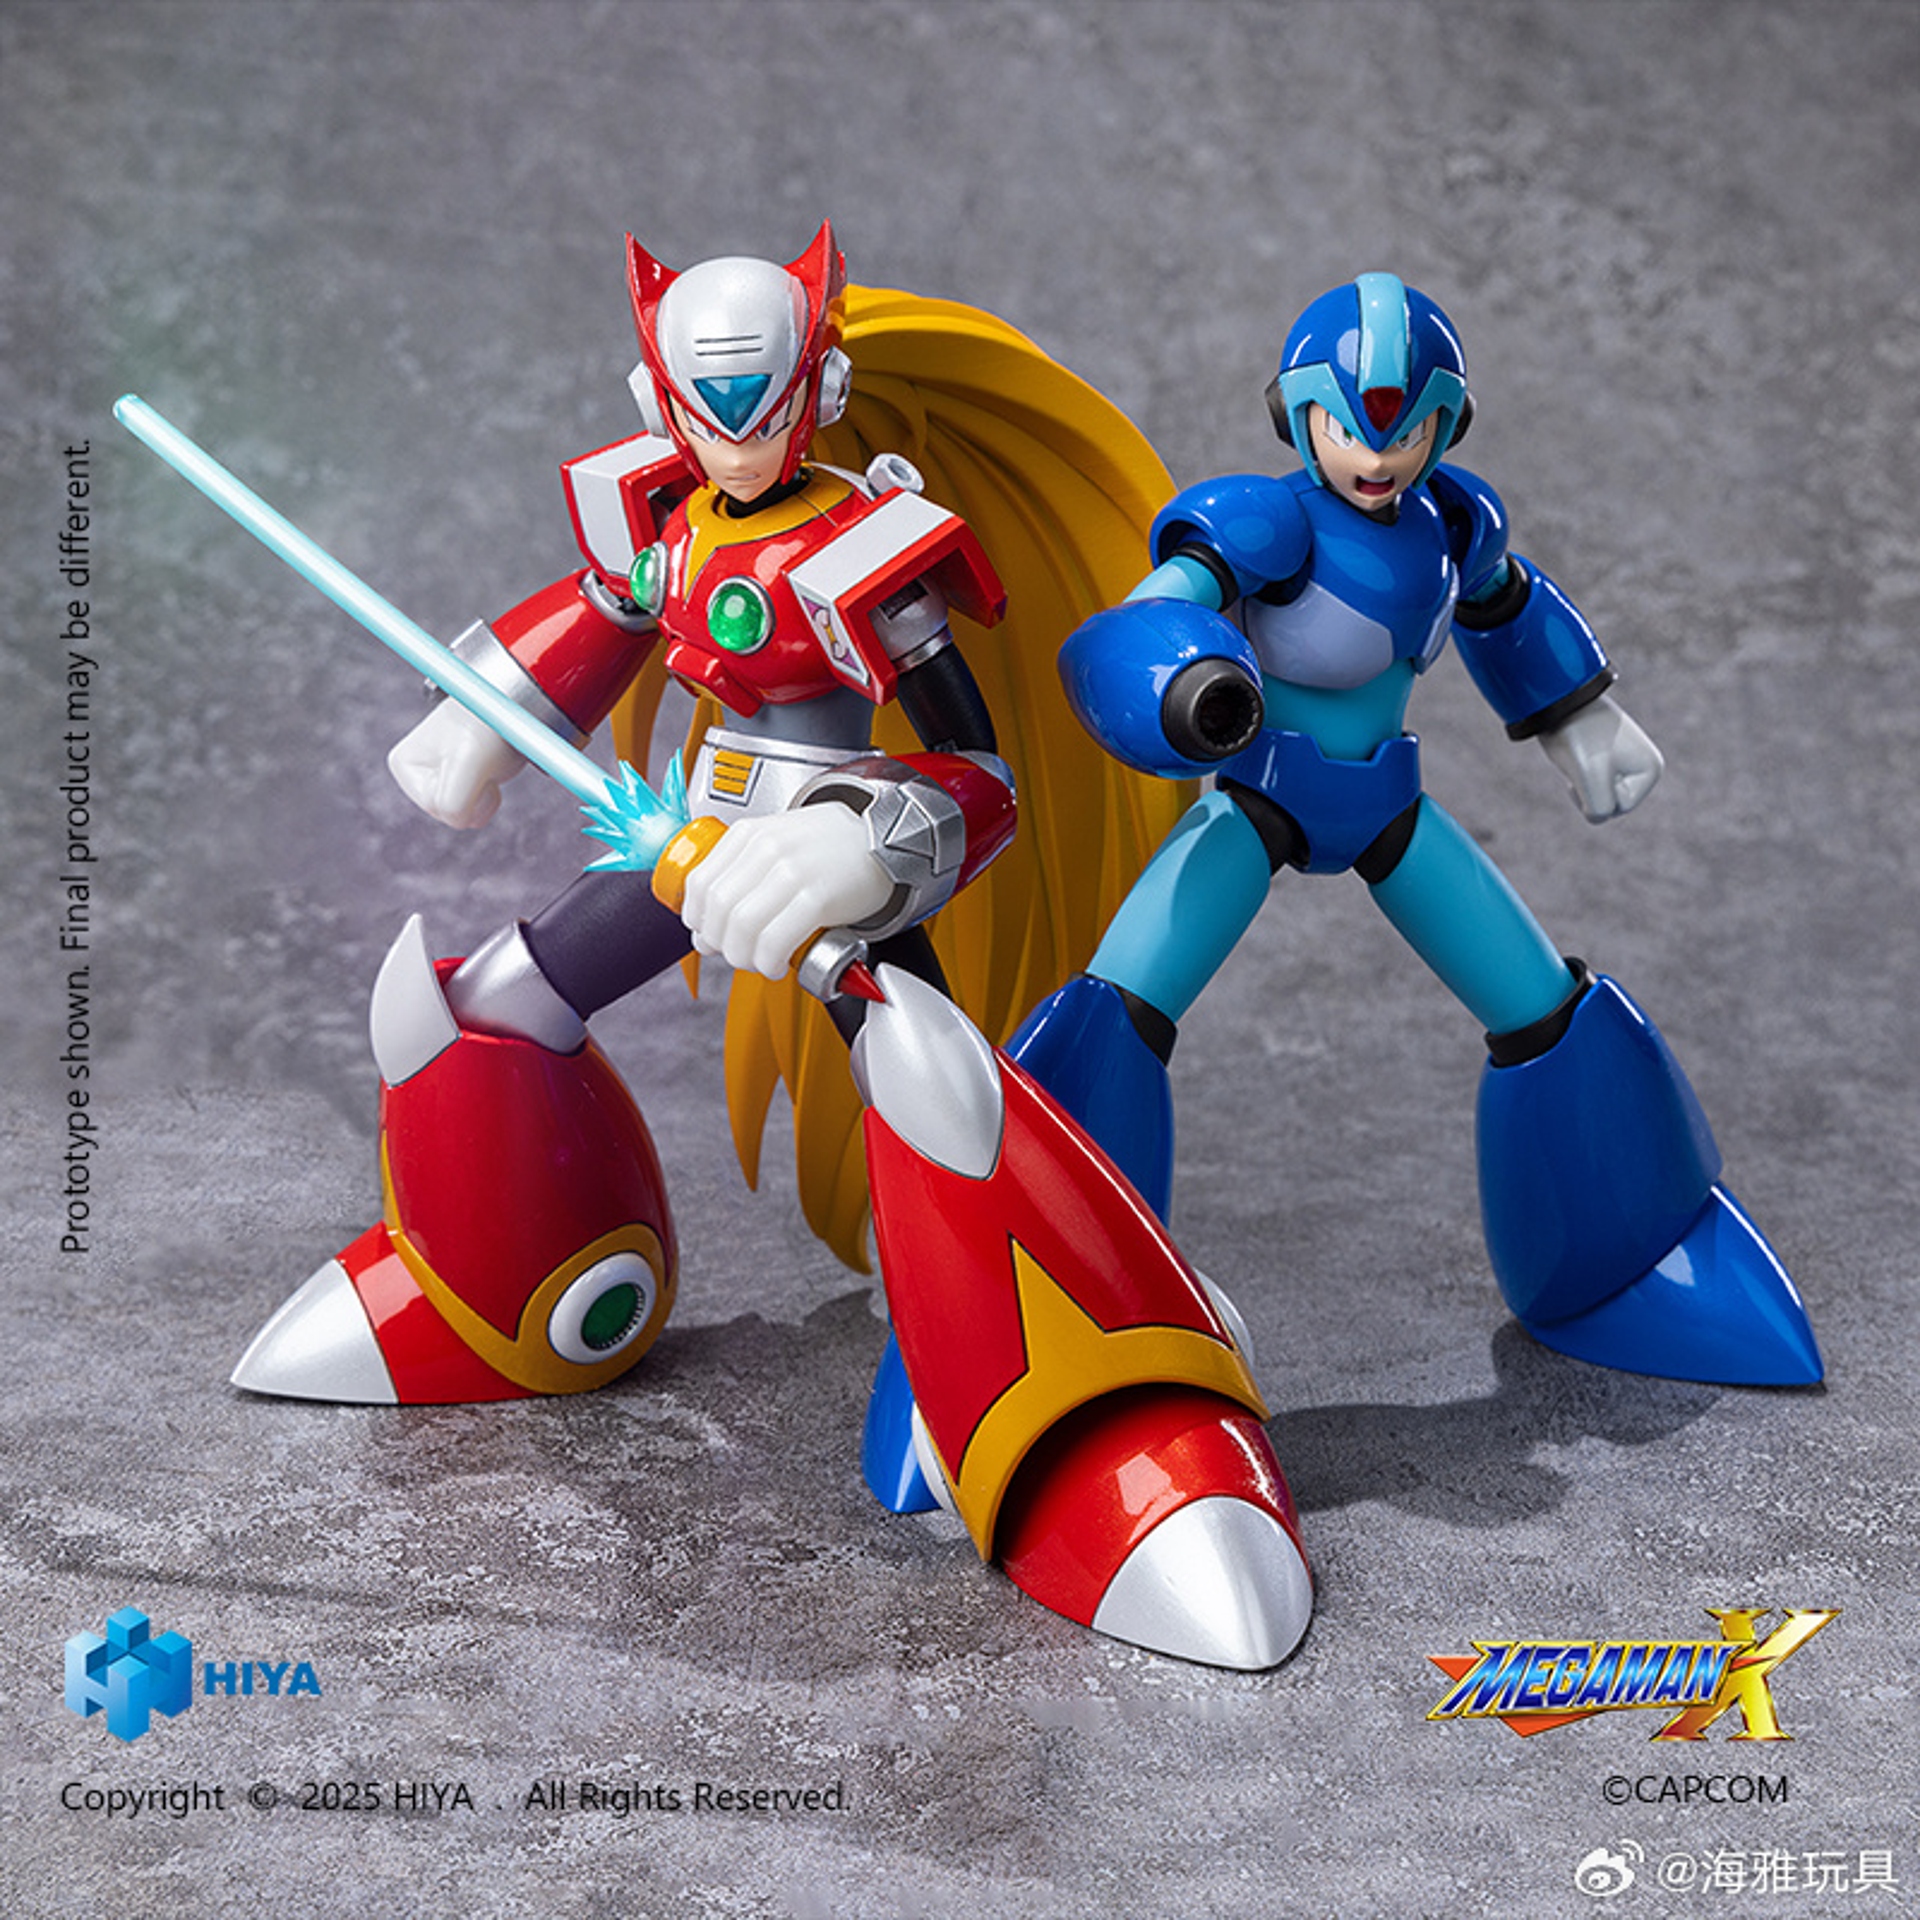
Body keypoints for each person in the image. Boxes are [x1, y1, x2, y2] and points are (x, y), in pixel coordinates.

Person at [1011, 270, 1821, 1389]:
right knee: (1121, 1005)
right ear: (1300, 415)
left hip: (1390, 809)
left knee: (1542, 1006)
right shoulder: (1264, 523)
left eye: (1405, 431)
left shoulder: (1453, 522)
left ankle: (1627, 1258)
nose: (1376, 456)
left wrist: (1580, 718)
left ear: (1446, 424)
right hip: (1258, 803)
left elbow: (1507, 610)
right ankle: (1044, 1287)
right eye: (1347, 426)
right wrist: (1181, 676)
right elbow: (1148, 616)